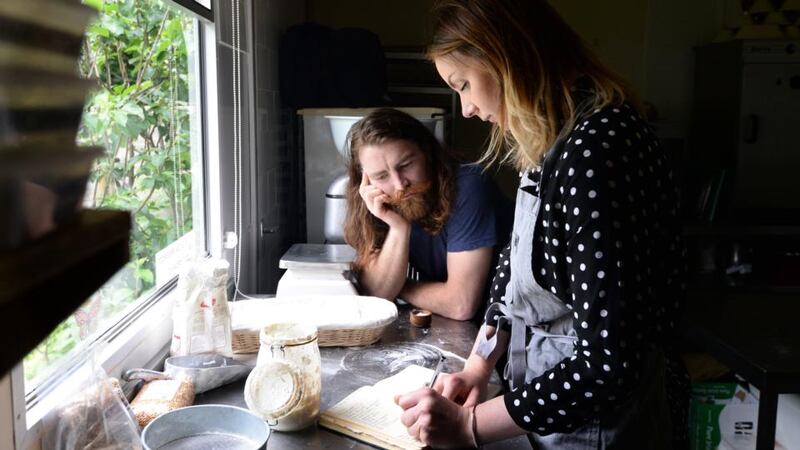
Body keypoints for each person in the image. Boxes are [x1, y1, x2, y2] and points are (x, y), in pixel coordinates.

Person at [394, 1, 689, 448]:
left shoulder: (597, 151)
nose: (467, 108)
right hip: (552, 413)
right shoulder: (551, 138)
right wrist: (479, 364)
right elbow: (513, 270)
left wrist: (468, 426)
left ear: (505, 56)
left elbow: (607, 364)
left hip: (598, 431)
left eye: (465, 85)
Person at [343, 107, 509, 321]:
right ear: (366, 180)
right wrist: (398, 228)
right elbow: (377, 294)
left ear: (427, 153)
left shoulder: (468, 186)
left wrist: (399, 285)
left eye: (406, 165)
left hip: (504, 327)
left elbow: (461, 304)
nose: (399, 184)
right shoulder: (378, 202)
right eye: (381, 176)